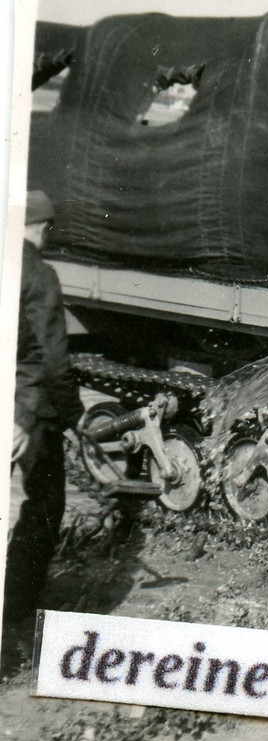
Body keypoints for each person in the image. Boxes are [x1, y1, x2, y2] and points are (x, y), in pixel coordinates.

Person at [3, 190, 85, 631]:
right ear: (42, 227)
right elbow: (52, 360)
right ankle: (17, 606)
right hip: (25, 409)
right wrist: (73, 414)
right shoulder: (39, 273)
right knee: (46, 503)